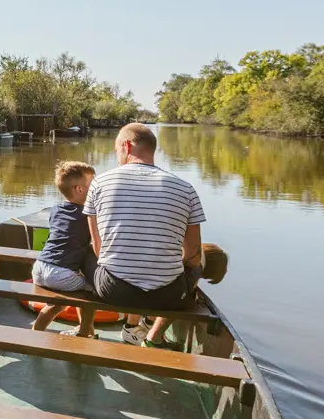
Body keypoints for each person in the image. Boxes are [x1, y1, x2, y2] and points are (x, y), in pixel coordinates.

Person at [84, 123, 206, 346]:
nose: (117, 156)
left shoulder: (99, 183)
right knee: (196, 267)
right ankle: (151, 326)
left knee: (86, 255)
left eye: (116, 150)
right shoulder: (186, 189)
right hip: (168, 295)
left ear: (127, 146)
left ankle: (93, 327)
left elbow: (98, 248)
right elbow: (193, 257)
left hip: (114, 291)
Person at [30, 161, 100, 338]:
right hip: (61, 274)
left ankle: (35, 332)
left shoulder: (56, 209)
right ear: (79, 189)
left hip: (39, 268)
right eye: (92, 185)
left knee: (57, 304)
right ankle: (85, 333)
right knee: (92, 291)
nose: (96, 190)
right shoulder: (87, 214)